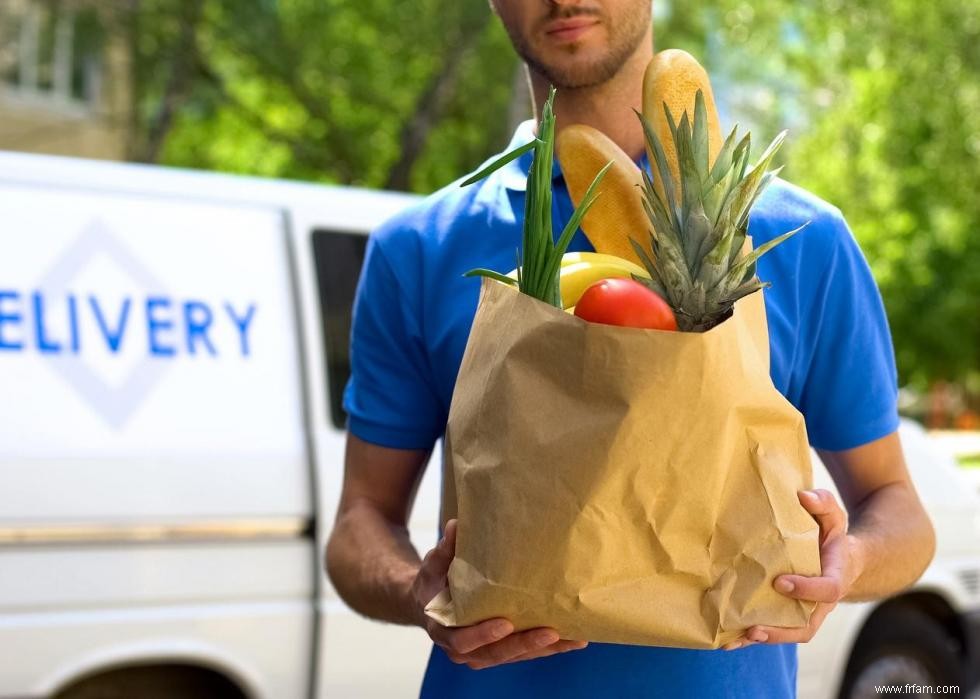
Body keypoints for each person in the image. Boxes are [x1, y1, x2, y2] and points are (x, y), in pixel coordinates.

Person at [325, 1, 937, 696]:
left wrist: (848, 561)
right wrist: (417, 591)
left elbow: (900, 511)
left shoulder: (801, 240)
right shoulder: (419, 249)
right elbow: (358, 525)